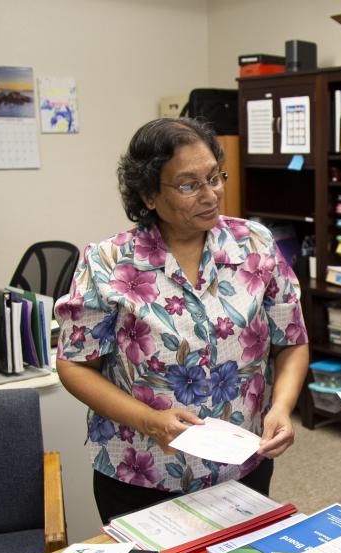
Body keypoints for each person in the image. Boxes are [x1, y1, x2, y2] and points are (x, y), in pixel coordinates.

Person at [55, 117, 309, 522]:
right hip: (140, 469)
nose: (211, 195)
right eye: (189, 185)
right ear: (149, 195)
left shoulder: (255, 243)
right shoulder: (107, 262)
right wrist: (150, 421)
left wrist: (281, 407)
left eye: (215, 177)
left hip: (242, 465)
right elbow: (73, 364)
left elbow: (291, 338)